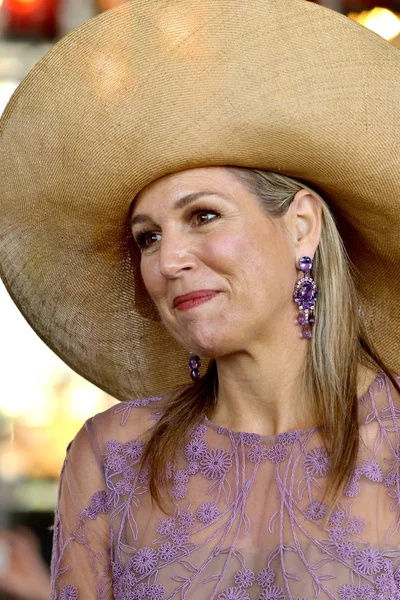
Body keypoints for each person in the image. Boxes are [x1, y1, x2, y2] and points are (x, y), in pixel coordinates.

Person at [0, 0, 399, 598]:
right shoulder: (111, 458)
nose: (167, 261)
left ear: (302, 226)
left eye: (204, 215)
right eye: (148, 237)